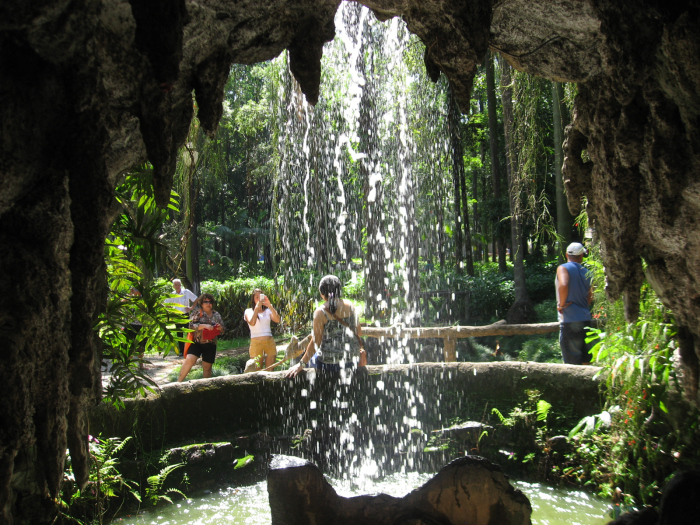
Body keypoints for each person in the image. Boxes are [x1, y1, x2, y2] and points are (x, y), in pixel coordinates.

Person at [287, 275, 367, 377]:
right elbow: (359, 333)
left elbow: (316, 343)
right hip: (352, 361)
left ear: (322, 293)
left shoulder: (321, 312)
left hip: (329, 365)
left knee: (312, 361)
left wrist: (301, 364)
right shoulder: (351, 306)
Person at [556, 242, 594, 365]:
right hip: (586, 319)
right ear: (582, 256)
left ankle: (574, 385)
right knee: (586, 360)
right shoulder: (587, 272)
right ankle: (589, 384)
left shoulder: (563, 268)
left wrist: (561, 304)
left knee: (572, 363)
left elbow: (563, 284)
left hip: (569, 320)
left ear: (567, 254)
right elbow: (591, 295)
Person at [177, 293, 225, 381]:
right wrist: (204, 326)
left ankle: (205, 388)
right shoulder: (197, 313)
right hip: (197, 343)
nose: (208, 304)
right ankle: (177, 383)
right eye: (205, 302)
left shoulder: (216, 315)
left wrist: (220, 328)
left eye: (210, 302)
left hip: (210, 344)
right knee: (189, 360)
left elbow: (223, 330)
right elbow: (190, 326)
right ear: (201, 304)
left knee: (207, 368)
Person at [244, 289, 281, 370]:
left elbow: (277, 320)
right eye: (256, 297)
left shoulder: (268, 311)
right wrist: (257, 308)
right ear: (253, 299)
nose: (258, 299)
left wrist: (270, 306)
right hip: (256, 343)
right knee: (257, 371)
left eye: (260, 297)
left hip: (269, 342)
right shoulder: (248, 311)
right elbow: (252, 323)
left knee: (270, 370)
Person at [164, 278, 197, 357]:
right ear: (173, 286)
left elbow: (196, 299)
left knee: (189, 332)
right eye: (176, 284)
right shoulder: (172, 294)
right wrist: (171, 311)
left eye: (179, 284)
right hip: (177, 316)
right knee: (179, 334)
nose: (177, 286)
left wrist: (191, 307)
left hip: (185, 315)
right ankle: (182, 351)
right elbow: (166, 303)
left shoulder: (186, 292)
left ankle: (190, 349)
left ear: (181, 285)